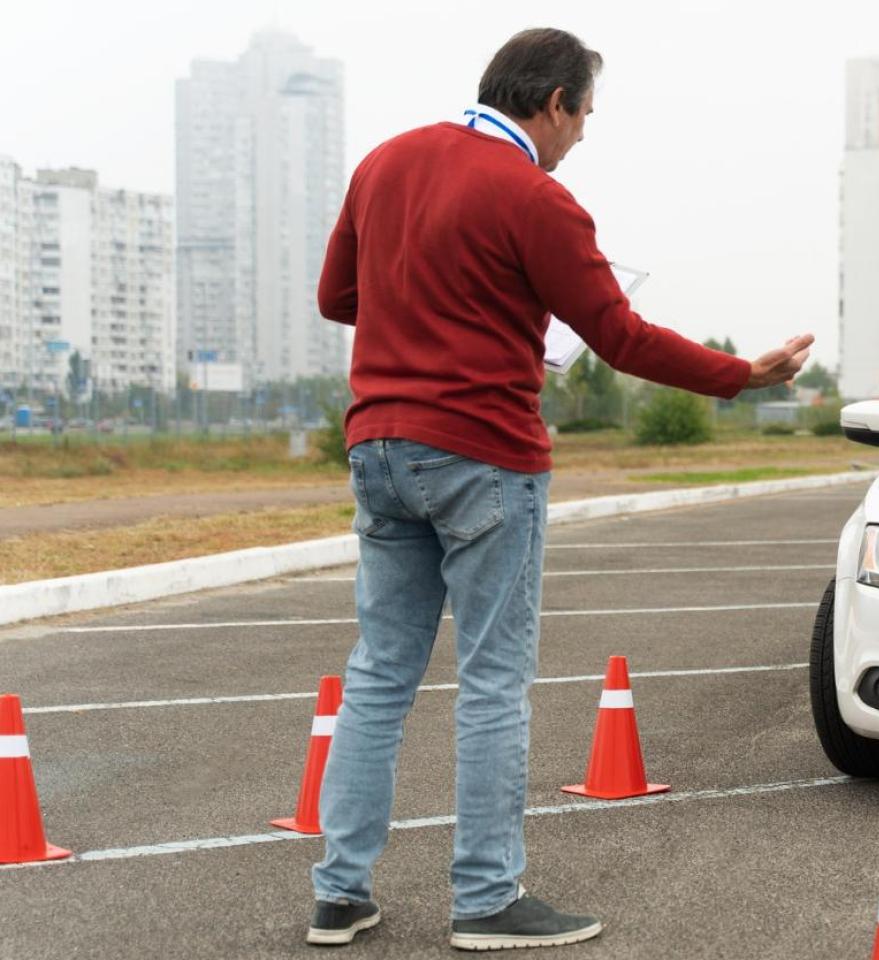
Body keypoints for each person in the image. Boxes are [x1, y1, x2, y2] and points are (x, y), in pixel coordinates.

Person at [305, 28, 812, 951]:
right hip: (483, 455)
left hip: (378, 448)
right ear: (552, 103)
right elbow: (619, 336)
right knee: (494, 681)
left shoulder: (384, 162)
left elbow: (338, 297)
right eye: (583, 117)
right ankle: (487, 900)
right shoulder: (536, 197)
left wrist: (435, 310)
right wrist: (743, 374)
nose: (581, 136)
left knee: (380, 677)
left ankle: (339, 894)